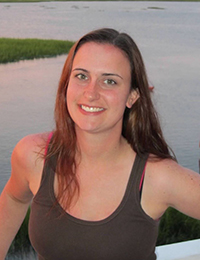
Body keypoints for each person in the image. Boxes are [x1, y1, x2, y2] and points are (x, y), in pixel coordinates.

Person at [0, 28, 200, 260]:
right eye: (82, 76)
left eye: (109, 81)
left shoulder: (157, 176)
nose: (91, 92)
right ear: (66, 84)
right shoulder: (33, 155)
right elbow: (14, 199)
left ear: (132, 96)